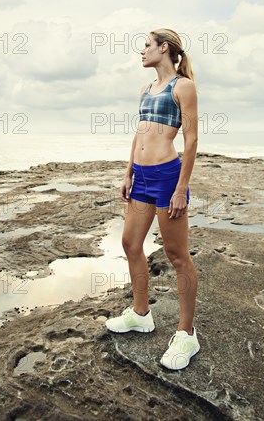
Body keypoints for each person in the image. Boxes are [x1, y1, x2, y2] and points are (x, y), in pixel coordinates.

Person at [105, 27, 200, 370]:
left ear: (164, 48)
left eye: (147, 46)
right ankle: (141, 313)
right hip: (142, 178)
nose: (141, 51)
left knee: (176, 255)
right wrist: (129, 172)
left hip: (167, 177)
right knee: (131, 243)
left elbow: (190, 141)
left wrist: (180, 188)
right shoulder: (145, 89)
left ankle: (187, 334)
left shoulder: (182, 87)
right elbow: (140, 134)